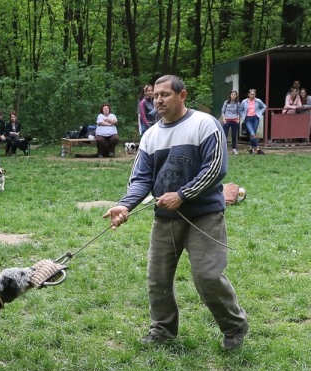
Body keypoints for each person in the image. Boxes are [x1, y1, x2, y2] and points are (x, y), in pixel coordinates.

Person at [103, 74, 249, 350]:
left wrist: (183, 195)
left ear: (182, 96)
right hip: (165, 219)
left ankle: (234, 327)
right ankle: (162, 330)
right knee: (157, 279)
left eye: (165, 94)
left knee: (207, 276)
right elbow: (141, 180)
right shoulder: (151, 136)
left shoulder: (204, 125)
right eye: (155, 95)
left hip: (204, 215)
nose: (158, 99)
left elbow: (216, 168)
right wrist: (125, 205)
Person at [239, 89, 267, 155]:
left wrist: (259, 113)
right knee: (252, 134)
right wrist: (243, 115)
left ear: (255, 95)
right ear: (248, 94)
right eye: (251, 94)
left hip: (255, 118)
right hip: (248, 119)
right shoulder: (244, 102)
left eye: (253, 94)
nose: (252, 96)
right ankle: (257, 149)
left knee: (253, 134)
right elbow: (240, 109)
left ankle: (251, 148)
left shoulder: (258, 101)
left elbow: (264, 106)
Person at [221, 90, 241, 155]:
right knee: (224, 135)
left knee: (234, 135)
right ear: (230, 95)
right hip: (227, 120)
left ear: (236, 96)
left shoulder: (237, 103)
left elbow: (238, 112)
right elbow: (223, 112)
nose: (233, 96)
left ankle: (234, 149)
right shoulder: (226, 102)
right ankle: (223, 149)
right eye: (232, 94)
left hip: (234, 121)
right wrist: (224, 120)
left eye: (234, 95)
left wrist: (238, 120)